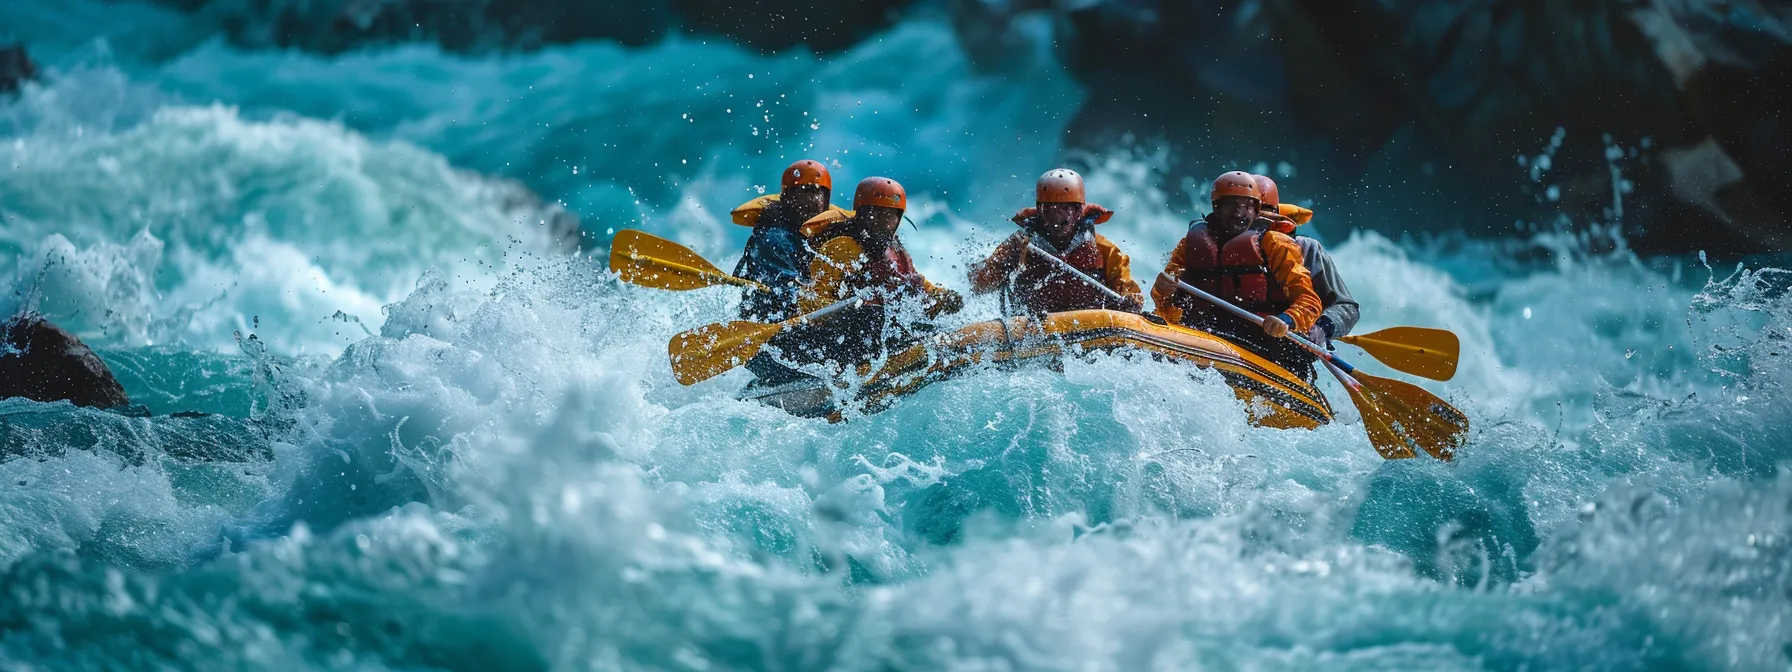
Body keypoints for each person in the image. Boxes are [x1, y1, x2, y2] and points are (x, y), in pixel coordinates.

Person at [1151, 171, 1324, 378]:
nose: (1239, 214)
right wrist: (1162, 290)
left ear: (1257, 210)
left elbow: (1309, 300)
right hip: (1206, 337)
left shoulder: (1275, 243)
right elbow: (1165, 305)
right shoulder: (1190, 245)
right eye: (1231, 206)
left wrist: (1287, 319)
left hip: (1263, 347)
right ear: (1217, 207)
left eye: (1248, 206)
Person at [789, 177, 964, 371]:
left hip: (878, 333)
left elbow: (916, 285)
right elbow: (809, 301)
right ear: (861, 213)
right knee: (872, 313)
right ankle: (867, 368)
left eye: (889, 215)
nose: (882, 221)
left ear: (898, 219)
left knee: (915, 317)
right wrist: (850, 308)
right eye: (876, 213)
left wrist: (941, 297)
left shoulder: (895, 250)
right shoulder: (842, 247)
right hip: (840, 339)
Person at [967, 169, 1143, 314]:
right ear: (1039, 209)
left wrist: (1131, 301)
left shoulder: (1105, 249)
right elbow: (981, 284)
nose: (1055, 218)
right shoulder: (1021, 244)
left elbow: (1128, 290)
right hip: (1035, 328)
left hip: (1091, 326)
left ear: (1079, 210)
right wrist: (990, 267)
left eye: (1064, 208)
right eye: (1048, 208)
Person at [1251, 174, 1360, 349]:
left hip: (1287, 344)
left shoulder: (1306, 248)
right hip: (1232, 336)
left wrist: (1322, 328)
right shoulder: (1215, 244)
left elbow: (1346, 307)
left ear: (1273, 215)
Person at [729, 159, 841, 322]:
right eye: (800, 192)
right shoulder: (774, 239)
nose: (808, 200)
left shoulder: (825, 237)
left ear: (825, 201)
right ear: (787, 199)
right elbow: (788, 298)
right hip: (772, 324)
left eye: (814, 192)